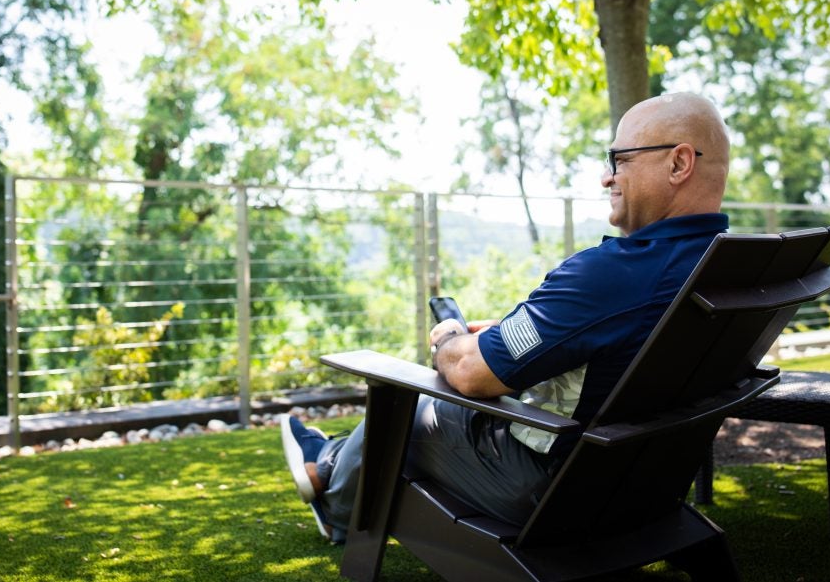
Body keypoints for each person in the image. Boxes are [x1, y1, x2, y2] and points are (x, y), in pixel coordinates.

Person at [281, 92, 732, 543]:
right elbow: (613, 345)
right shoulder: (728, 269)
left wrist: (452, 339)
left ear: (678, 164)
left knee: (414, 406)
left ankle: (331, 486)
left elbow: (471, 372)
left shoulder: (616, 273)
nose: (605, 177)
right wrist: (509, 336)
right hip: (647, 489)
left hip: (557, 495)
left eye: (619, 159)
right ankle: (329, 462)